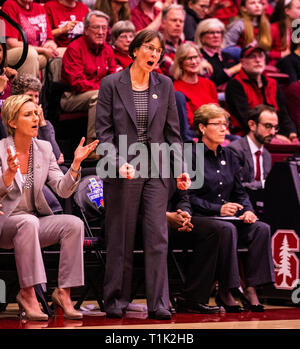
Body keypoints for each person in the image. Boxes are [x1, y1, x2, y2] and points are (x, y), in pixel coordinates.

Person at [96, 29, 191, 320]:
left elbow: (174, 133)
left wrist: (181, 168)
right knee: (120, 236)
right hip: (124, 167)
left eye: (158, 51)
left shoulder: (165, 84)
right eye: (149, 48)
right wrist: (117, 162)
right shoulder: (111, 83)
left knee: (157, 236)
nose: (154, 55)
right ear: (135, 50)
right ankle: (115, 299)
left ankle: (158, 303)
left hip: (158, 168)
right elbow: (103, 133)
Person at [0, 94, 99, 321]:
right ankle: (28, 294)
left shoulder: (44, 149)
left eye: (36, 113)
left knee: (73, 224)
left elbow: (63, 190)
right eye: (28, 114)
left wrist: (75, 165)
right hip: (5, 223)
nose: (35, 118)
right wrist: (6, 176)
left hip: (32, 223)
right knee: (28, 222)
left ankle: (63, 293)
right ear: (12, 122)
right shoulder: (0, 150)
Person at [189, 103, 275, 312]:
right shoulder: (190, 155)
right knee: (226, 229)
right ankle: (227, 289)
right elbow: (186, 197)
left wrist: (247, 210)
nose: (223, 129)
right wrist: (217, 209)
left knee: (260, 228)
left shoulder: (229, 156)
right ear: (202, 128)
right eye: (217, 124)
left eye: (225, 124)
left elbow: (239, 192)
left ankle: (251, 288)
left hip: (227, 218)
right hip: (199, 218)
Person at [61, 10, 117, 154]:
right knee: (99, 97)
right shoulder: (75, 48)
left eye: (104, 28)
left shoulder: (108, 50)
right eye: (96, 27)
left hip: (100, 93)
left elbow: (113, 78)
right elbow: (77, 83)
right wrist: (106, 90)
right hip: (71, 97)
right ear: (86, 30)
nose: (100, 32)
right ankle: (93, 147)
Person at [167, 177, 221, 314]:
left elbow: (183, 197)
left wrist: (184, 214)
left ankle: (192, 299)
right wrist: (166, 216)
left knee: (211, 230)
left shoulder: (174, 163)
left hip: (175, 219)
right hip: (146, 221)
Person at [225, 44, 298, 143]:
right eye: (252, 57)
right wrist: (273, 137)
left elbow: (283, 114)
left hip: (274, 132)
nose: (257, 60)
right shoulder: (235, 84)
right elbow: (245, 118)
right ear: (242, 62)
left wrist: (291, 134)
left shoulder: (273, 84)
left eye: (260, 56)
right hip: (247, 135)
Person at [227, 105, 278, 217]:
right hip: (240, 208)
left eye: (276, 127)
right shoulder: (235, 150)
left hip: (262, 206)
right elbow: (237, 187)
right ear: (252, 125)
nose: (273, 132)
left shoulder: (266, 154)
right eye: (268, 126)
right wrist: (265, 184)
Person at [10, 74, 64, 165]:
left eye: (36, 96)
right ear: (18, 98)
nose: (35, 101)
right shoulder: (14, 122)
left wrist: (42, 123)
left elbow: (57, 157)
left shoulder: (46, 125)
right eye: (30, 96)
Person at [2, 0, 59, 77]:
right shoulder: (9, 5)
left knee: (65, 52)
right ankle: (28, 88)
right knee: (30, 54)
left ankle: (60, 88)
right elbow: (11, 44)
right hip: (12, 52)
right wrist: (43, 50)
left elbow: (49, 38)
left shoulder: (39, 7)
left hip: (40, 50)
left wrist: (51, 45)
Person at [173, 42, 218, 128]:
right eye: (189, 58)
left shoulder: (209, 84)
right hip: (197, 132)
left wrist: (223, 127)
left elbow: (217, 112)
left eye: (196, 57)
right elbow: (189, 120)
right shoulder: (175, 88)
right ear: (180, 63)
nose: (194, 62)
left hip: (215, 129)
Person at [195, 18, 241, 89]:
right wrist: (234, 69)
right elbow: (212, 82)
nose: (216, 36)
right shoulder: (199, 56)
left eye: (219, 32)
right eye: (211, 33)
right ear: (201, 37)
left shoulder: (227, 56)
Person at [269, 0, 300, 66]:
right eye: (298, 8)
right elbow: (264, 52)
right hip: (277, 66)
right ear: (287, 11)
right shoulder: (273, 28)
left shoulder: (297, 29)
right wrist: (281, 54)